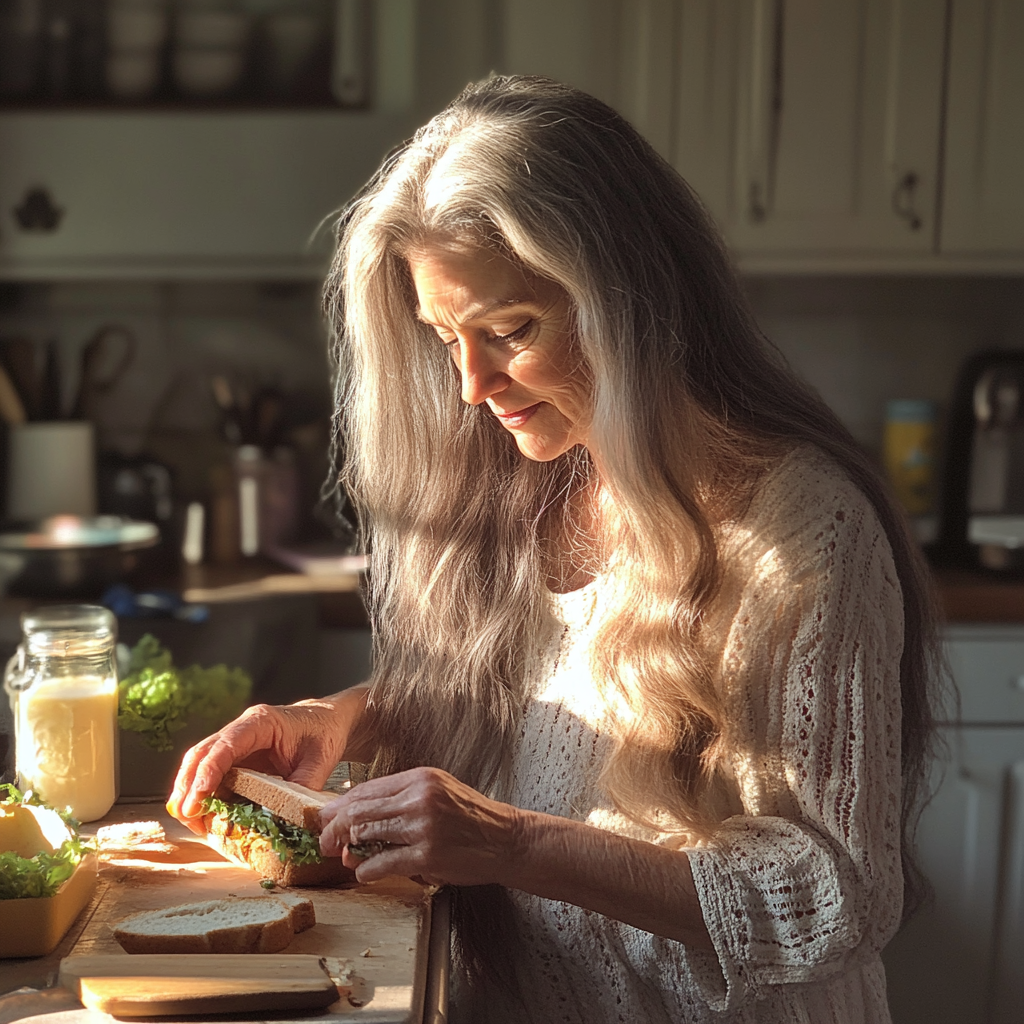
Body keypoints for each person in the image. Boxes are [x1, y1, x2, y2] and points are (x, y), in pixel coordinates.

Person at [169, 76, 941, 1023]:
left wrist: (508, 844)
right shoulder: (543, 473)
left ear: (628, 298)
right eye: (447, 337)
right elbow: (539, 708)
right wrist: (343, 720)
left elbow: (837, 894)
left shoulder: (805, 528)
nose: (470, 385)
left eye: (509, 331)